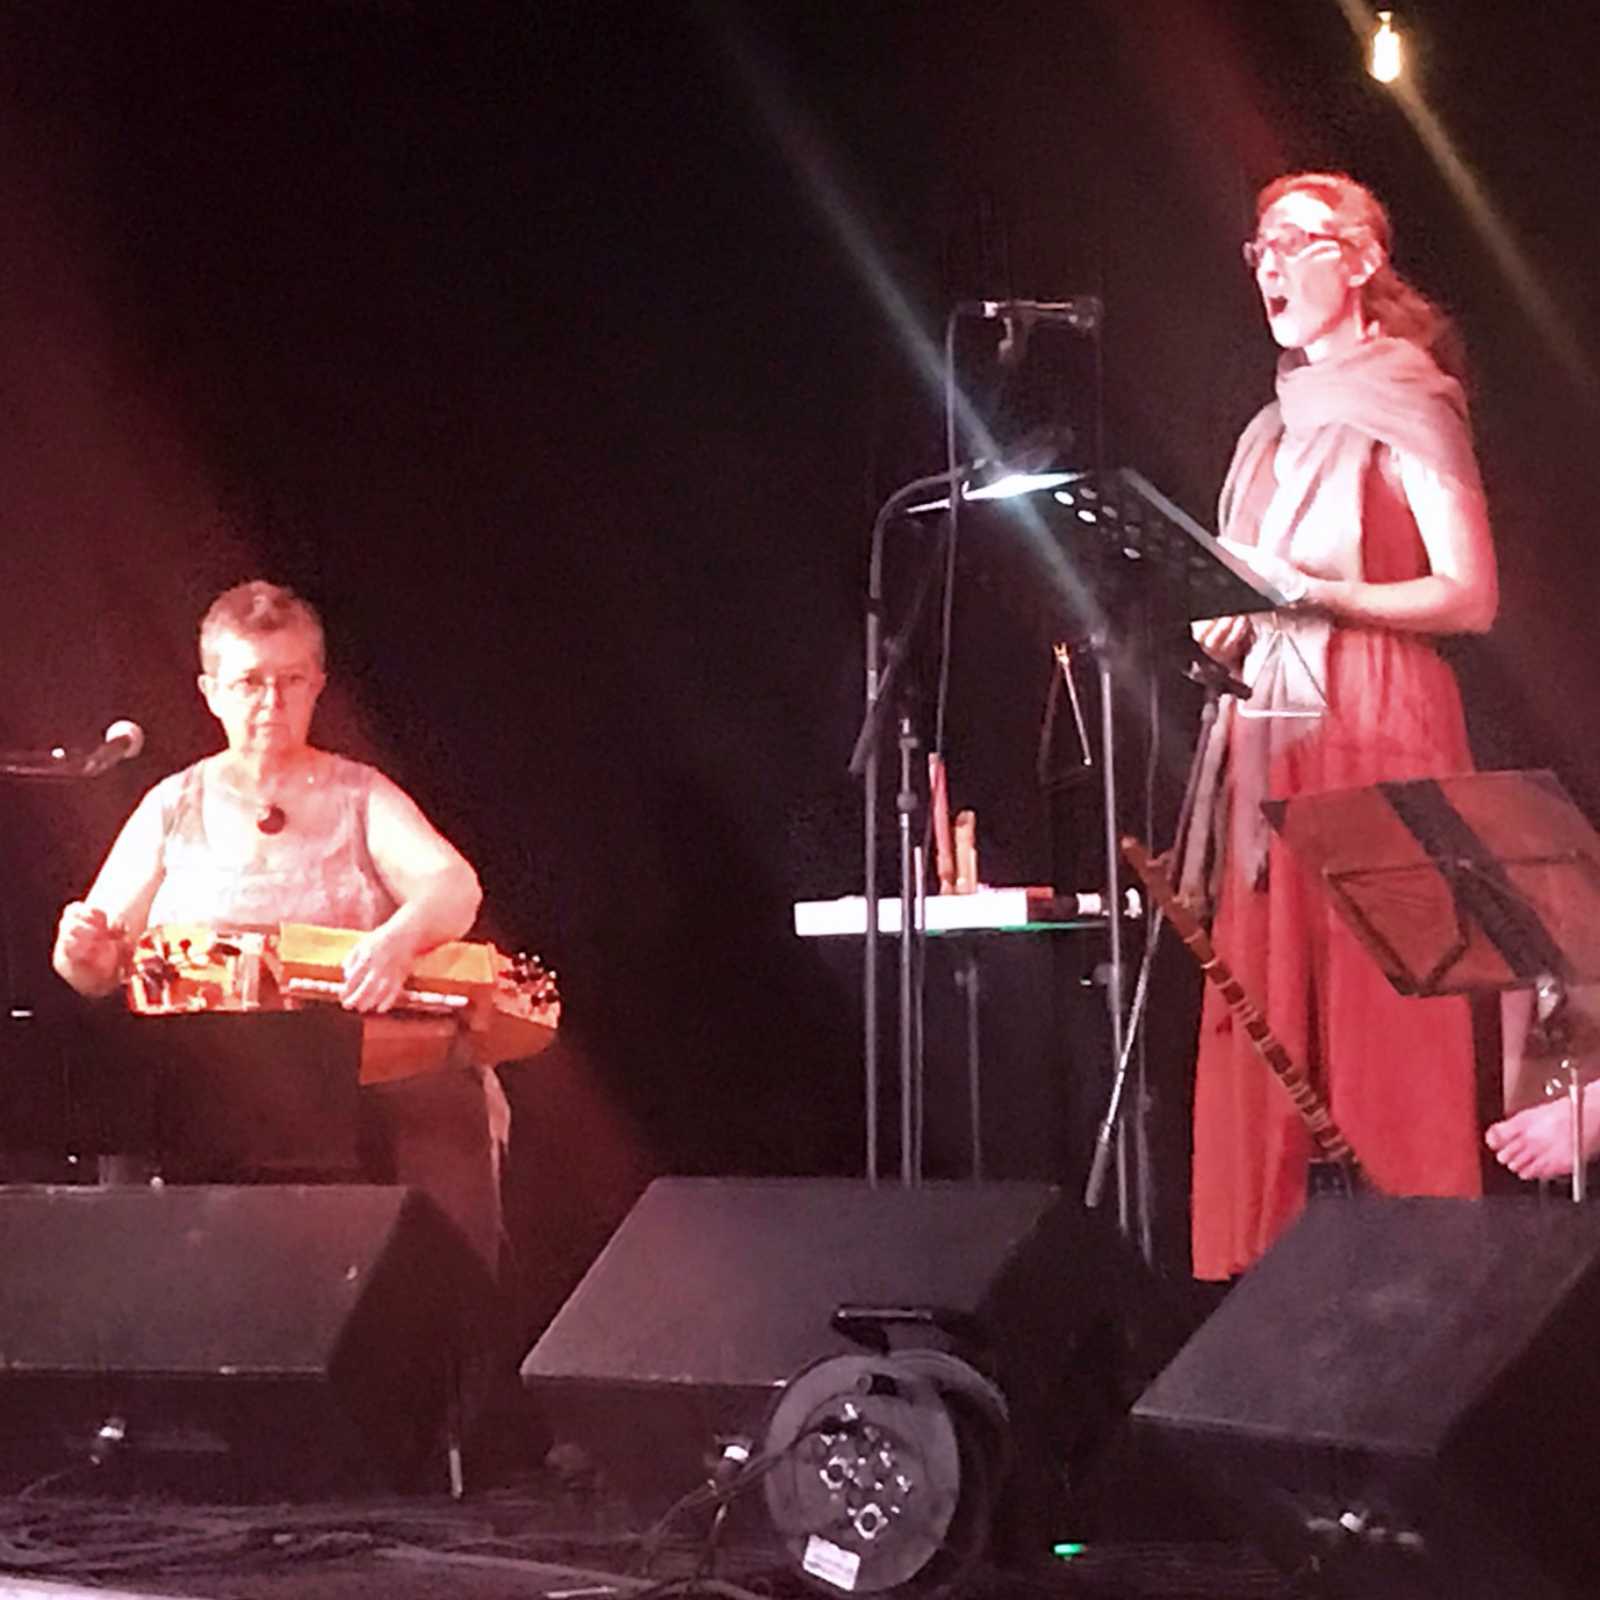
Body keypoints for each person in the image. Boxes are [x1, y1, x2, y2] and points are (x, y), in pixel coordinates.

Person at [1186, 171, 1499, 1280]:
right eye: (1258, 247)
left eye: (1293, 241)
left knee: (1381, 1012)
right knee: (1272, 1009)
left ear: (1359, 260)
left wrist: (1315, 596)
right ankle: (1275, 1286)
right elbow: (1250, 588)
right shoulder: (1268, 431)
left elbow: (1470, 596)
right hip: (1274, 726)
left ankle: (1416, 1283)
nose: (1268, 265)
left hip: (1378, 718)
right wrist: (1228, 622)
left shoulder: (1410, 398)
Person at [51, 579, 507, 1276]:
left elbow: (455, 888)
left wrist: (397, 939)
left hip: (351, 1089)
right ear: (210, 692)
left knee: (444, 1100)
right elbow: (91, 968)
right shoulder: (173, 805)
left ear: (318, 685)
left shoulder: (359, 794)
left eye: (291, 681)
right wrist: (82, 948)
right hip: (204, 1086)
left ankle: (436, 1315)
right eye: (250, 683)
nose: (271, 702)